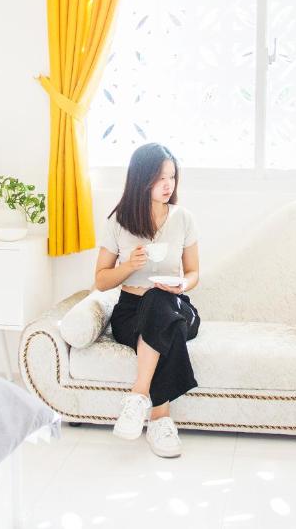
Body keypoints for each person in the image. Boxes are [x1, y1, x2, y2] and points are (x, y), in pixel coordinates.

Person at [94, 142, 201, 458]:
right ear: (141, 180)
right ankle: (160, 420)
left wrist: (183, 283)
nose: (168, 185)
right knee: (168, 326)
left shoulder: (183, 218)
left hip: (176, 304)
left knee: (161, 303)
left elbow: (194, 272)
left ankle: (138, 397)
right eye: (160, 178)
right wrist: (128, 266)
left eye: (172, 177)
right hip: (131, 312)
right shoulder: (119, 221)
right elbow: (100, 280)